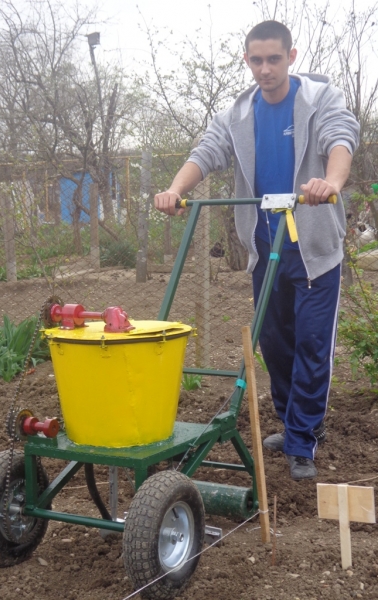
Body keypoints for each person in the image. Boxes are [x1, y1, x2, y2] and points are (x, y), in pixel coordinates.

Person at [154, 21, 360, 480]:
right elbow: (207, 151)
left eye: (274, 59)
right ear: (247, 60)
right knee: (274, 342)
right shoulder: (239, 114)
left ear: (291, 56)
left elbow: (340, 137)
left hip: (313, 247)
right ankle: (294, 423)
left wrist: (332, 182)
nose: (265, 69)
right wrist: (174, 189)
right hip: (266, 248)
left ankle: (303, 438)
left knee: (310, 342)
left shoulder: (318, 100)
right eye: (256, 60)